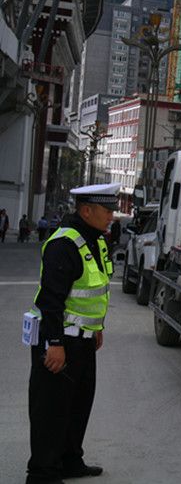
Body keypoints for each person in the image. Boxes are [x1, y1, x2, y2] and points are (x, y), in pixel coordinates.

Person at [27, 183, 119, 484]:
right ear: (86, 211)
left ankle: (69, 461)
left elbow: (95, 291)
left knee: (78, 404)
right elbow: (51, 300)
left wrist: (97, 328)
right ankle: (42, 473)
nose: (112, 216)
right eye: (107, 210)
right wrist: (54, 343)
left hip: (84, 339)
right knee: (51, 409)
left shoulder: (96, 241)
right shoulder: (63, 244)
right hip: (60, 339)